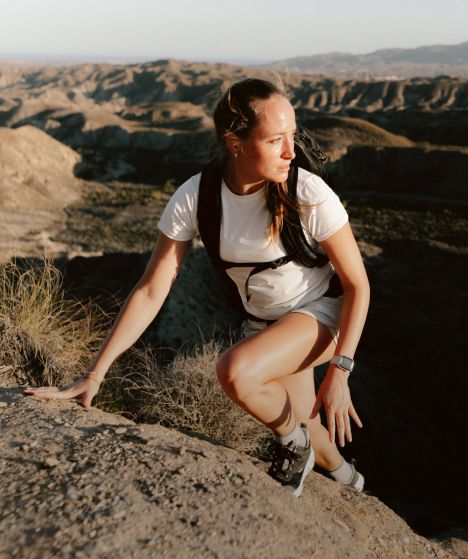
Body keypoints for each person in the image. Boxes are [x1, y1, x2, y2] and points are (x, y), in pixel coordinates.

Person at [25, 78, 370, 498]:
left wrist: (341, 370)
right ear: (235, 142)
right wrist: (94, 374)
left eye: (293, 136)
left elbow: (358, 285)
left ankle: (291, 445)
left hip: (324, 313)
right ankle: (351, 482)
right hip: (267, 324)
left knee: (236, 372)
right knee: (308, 419)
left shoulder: (307, 191)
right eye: (276, 139)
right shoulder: (197, 196)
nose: (290, 151)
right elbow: (152, 289)